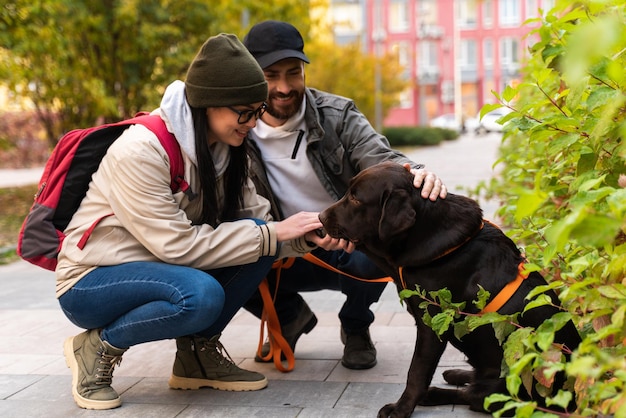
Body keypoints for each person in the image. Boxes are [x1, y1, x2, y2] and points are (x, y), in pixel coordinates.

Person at [56, 33, 333, 410]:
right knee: (200, 295)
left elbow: (258, 223)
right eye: (246, 112)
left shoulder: (225, 147)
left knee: (257, 239)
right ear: (209, 104)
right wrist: (273, 233)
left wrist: (307, 237)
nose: (254, 123)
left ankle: (197, 357)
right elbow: (177, 246)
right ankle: (96, 347)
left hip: (158, 270)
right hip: (92, 281)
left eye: (258, 110)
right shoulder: (142, 150)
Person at [241, 21, 448, 370]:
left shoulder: (337, 114)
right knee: (226, 254)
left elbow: (381, 157)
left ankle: (355, 325)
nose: (284, 87)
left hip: (344, 245)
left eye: (294, 73)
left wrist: (416, 172)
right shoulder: (237, 126)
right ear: (250, 73)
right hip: (281, 248)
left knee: (388, 241)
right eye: (270, 75)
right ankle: (288, 317)